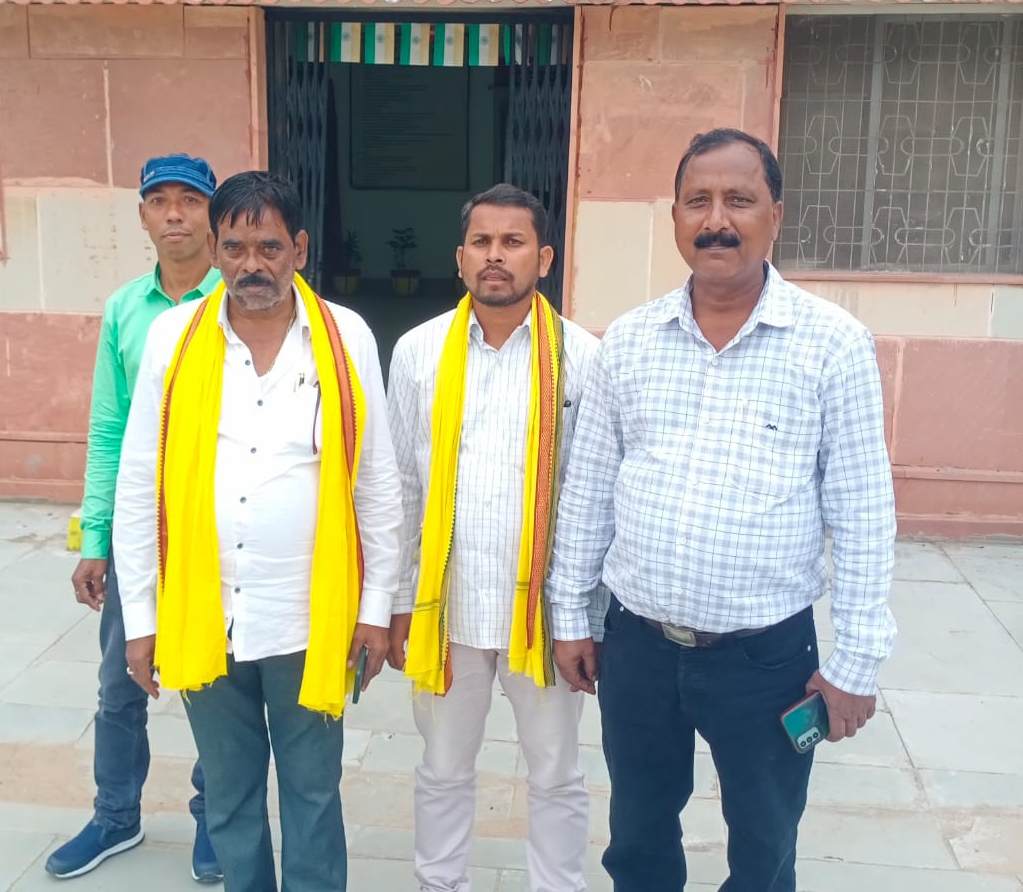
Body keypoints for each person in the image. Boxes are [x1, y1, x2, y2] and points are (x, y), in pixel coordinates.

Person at [547, 128, 898, 892]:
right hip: (637, 649)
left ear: (776, 215)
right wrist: (571, 613)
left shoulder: (832, 345)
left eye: (739, 200)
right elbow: (590, 490)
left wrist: (856, 661)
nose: (716, 220)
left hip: (766, 661)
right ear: (674, 217)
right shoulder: (629, 342)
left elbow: (864, 513)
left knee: (765, 846)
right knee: (638, 837)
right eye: (697, 201)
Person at [111, 171, 401, 892]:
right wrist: (141, 620)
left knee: (312, 792)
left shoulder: (345, 337)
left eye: (269, 247)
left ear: (299, 249)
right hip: (203, 613)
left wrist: (375, 610)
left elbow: (376, 480)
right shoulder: (175, 339)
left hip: (309, 618)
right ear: (214, 251)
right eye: (235, 248)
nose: (252, 265)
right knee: (231, 797)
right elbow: (141, 483)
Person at [387, 183, 602, 892]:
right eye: (481, 242)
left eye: (513, 242)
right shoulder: (419, 353)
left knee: (556, 772)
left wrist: (583, 616)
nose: (495, 256)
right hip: (447, 609)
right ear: (459, 258)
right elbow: (402, 484)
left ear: (544, 258)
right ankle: (439, 883)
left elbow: (592, 498)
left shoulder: (585, 358)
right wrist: (396, 602)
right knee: (443, 768)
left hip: (544, 615)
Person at [47, 154, 223, 882]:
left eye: (190, 200)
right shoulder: (125, 308)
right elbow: (109, 428)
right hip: (139, 529)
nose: (175, 213)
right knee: (121, 683)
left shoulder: (242, 298)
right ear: (143, 215)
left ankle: (218, 819)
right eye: (160, 200)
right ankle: (114, 816)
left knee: (216, 683)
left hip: (217, 531)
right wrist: (94, 537)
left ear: (213, 213)